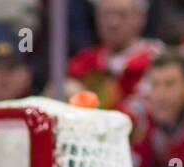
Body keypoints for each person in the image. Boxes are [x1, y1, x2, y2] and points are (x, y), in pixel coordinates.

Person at [67, 0, 163, 129]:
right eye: (106, 15)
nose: (113, 23)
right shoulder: (85, 61)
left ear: (140, 18)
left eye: (122, 15)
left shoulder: (157, 59)